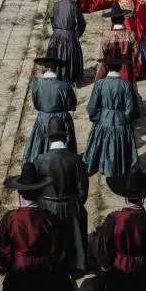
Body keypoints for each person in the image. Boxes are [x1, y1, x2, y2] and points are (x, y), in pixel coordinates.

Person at [0, 162, 76, 291]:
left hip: (20, 271)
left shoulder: (10, 219)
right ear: (40, 193)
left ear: (19, 193)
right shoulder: (49, 219)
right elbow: (60, 250)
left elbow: (2, 250)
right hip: (45, 272)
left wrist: (10, 263)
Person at [33, 117, 89, 277]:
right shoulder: (76, 160)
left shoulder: (39, 161)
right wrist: (75, 204)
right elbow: (83, 189)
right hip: (70, 205)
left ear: (48, 138)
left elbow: (35, 189)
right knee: (73, 237)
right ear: (66, 136)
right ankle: (76, 266)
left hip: (47, 206)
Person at [84, 55, 141, 177]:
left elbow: (92, 107)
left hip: (103, 121)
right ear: (120, 67)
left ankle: (103, 167)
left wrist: (99, 118)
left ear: (107, 66)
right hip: (121, 123)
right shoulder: (126, 85)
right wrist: (125, 119)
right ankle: (119, 168)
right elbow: (131, 109)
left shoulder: (100, 84)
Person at [23, 49, 77, 163]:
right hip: (61, 120)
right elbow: (72, 105)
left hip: (43, 118)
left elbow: (36, 105)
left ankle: (40, 164)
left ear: (44, 68)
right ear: (57, 68)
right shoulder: (65, 86)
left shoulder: (36, 85)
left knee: (39, 145)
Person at [47, 0, 85, 85]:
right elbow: (81, 24)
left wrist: (56, 31)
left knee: (55, 56)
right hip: (69, 36)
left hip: (56, 35)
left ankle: (54, 77)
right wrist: (75, 36)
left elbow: (52, 20)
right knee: (68, 58)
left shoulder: (56, 5)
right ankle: (67, 79)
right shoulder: (75, 7)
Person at [95, 2, 141, 84]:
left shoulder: (107, 36)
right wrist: (135, 69)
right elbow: (137, 54)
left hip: (111, 72)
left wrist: (100, 76)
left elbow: (102, 57)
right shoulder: (131, 35)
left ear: (112, 21)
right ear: (123, 19)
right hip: (127, 71)